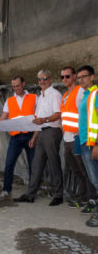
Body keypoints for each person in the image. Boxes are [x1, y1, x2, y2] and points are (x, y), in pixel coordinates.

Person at [14, 70, 63, 206]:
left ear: (50, 79)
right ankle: (30, 194)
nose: (42, 81)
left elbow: (58, 114)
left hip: (52, 131)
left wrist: (45, 120)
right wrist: (34, 136)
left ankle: (58, 195)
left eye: (45, 78)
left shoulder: (55, 94)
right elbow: (38, 119)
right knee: (36, 164)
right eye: (39, 79)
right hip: (41, 132)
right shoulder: (40, 96)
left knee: (54, 163)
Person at [0, 76, 37, 200]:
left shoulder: (35, 98)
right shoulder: (10, 101)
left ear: (23, 84)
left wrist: (35, 136)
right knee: (9, 164)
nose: (16, 89)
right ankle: (6, 190)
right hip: (15, 137)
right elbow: (3, 116)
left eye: (18, 86)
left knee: (33, 165)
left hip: (30, 135)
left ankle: (31, 192)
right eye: (13, 86)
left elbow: (39, 116)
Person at [60, 66, 95, 208]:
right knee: (76, 170)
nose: (64, 79)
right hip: (67, 138)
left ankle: (91, 198)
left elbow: (87, 114)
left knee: (85, 170)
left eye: (67, 76)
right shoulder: (65, 95)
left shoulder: (81, 92)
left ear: (74, 76)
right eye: (62, 77)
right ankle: (83, 197)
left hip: (78, 137)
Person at [76, 65, 98, 227]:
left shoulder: (95, 94)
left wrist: (97, 144)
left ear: (92, 77)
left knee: (96, 180)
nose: (80, 79)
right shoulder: (85, 95)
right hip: (85, 142)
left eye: (84, 76)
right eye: (79, 77)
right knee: (93, 179)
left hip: (92, 144)